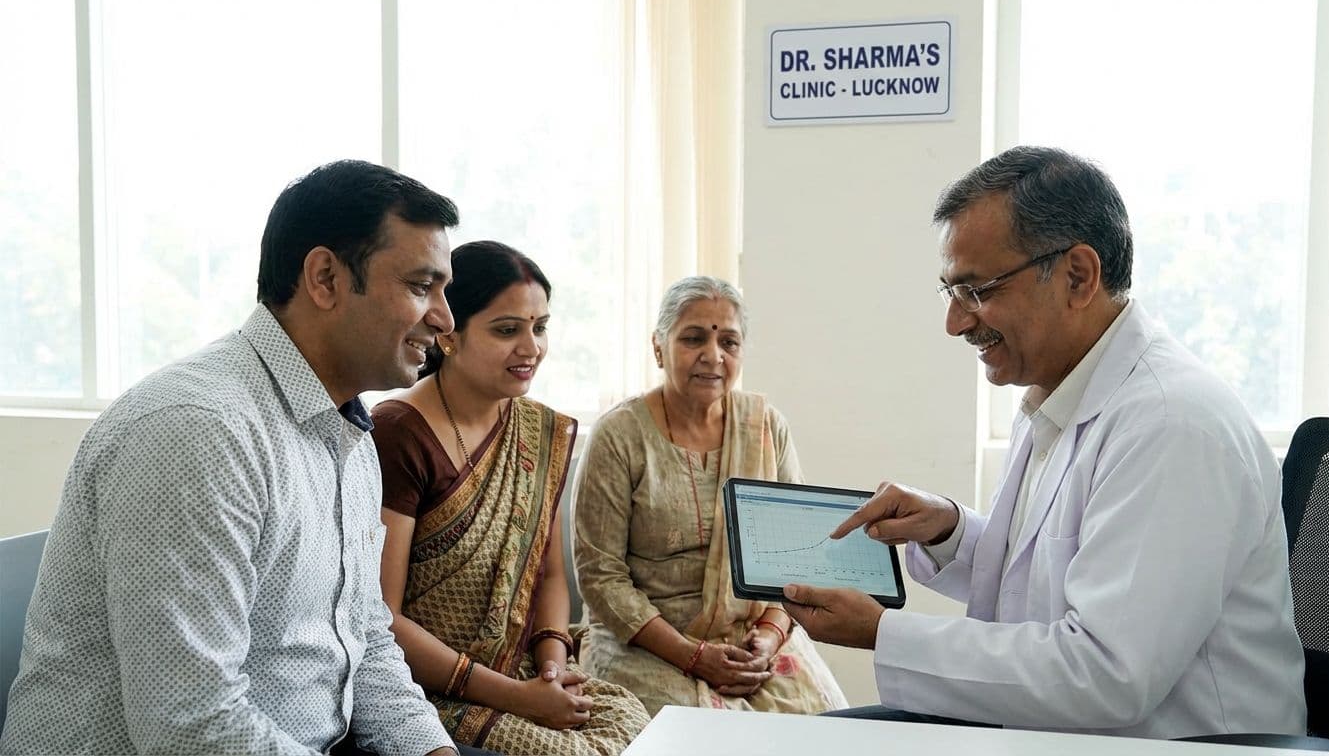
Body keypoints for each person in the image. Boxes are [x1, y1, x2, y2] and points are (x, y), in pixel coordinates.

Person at [782, 146, 1307, 740]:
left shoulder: (1171, 424)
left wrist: (883, 634)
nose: (955, 323)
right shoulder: (1062, 392)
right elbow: (1051, 574)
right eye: (949, 292)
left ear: (1078, 277)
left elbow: (1105, 676)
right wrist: (949, 530)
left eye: (976, 290)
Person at [0, 160, 477, 755]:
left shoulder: (349, 434)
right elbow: (190, 726)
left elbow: (368, 641)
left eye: (444, 291)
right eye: (418, 286)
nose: (445, 319)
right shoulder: (195, 431)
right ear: (325, 277)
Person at [370, 240, 649, 755]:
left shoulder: (538, 431)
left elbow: (549, 573)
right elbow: (380, 618)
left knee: (639, 727)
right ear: (449, 335)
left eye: (540, 327)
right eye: (507, 330)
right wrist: (519, 698)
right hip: (429, 690)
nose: (531, 348)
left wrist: (551, 670)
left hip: (522, 673)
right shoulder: (399, 433)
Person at [573, 276, 847, 716]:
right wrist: (692, 655)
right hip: (648, 642)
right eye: (693, 338)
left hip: (752, 640)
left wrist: (772, 635)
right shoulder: (620, 435)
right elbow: (600, 575)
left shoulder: (765, 428)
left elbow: (798, 558)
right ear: (659, 347)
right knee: (693, 741)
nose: (713, 356)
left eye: (729, 342)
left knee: (830, 734)